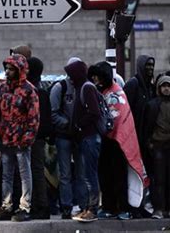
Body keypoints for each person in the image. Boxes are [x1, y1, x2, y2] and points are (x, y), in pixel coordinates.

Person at [89, 61, 151, 220]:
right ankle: (109, 207)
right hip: (105, 141)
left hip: (117, 142)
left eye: (97, 76)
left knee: (119, 176)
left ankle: (123, 207)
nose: (95, 79)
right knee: (105, 175)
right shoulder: (100, 91)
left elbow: (119, 118)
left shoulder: (117, 93)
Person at [0, 54, 40, 222]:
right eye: (7, 68)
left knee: (24, 174)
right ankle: (6, 206)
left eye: (11, 69)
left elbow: (33, 117)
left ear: (19, 70)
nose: (7, 71)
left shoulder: (29, 90)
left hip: (21, 139)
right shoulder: (2, 88)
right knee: (7, 174)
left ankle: (25, 206)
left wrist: (27, 137)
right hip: (5, 138)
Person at [50, 57, 87, 219]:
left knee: (81, 173)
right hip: (64, 136)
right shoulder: (60, 87)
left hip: (79, 136)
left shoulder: (85, 87)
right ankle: (66, 206)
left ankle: (83, 205)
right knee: (65, 173)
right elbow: (53, 112)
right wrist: (68, 124)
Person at [65, 60, 101, 223]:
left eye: (71, 74)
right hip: (85, 138)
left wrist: (79, 125)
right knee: (86, 174)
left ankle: (92, 209)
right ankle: (88, 207)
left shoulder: (87, 87)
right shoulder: (81, 87)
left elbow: (94, 112)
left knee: (89, 175)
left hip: (90, 137)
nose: (70, 78)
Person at [27, 57, 53, 220]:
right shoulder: (42, 91)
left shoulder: (33, 92)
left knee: (34, 171)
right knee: (37, 171)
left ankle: (40, 205)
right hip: (39, 138)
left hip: (33, 138)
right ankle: (40, 204)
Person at [144, 74, 170, 219]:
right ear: (159, 88)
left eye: (169, 86)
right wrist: (150, 143)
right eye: (164, 86)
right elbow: (148, 126)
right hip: (158, 146)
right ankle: (159, 209)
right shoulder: (153, 105)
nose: (166, 89)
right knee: (159, 179)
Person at [124, 55, 155, 175]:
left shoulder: (151, 88)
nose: (150, 68)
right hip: (135, 136)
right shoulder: (133, 85)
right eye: (147, 65)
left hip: (148, 138)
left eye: (152, 65)